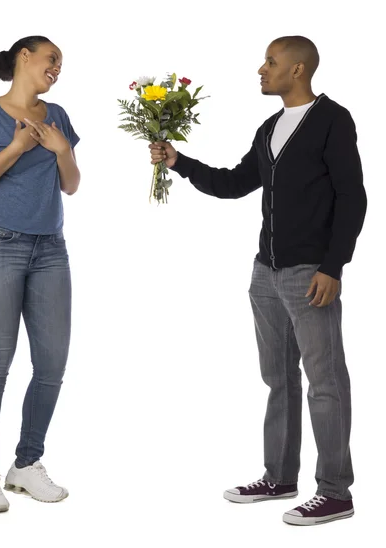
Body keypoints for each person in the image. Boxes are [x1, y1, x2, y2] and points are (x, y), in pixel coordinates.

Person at [149, 36, 367, 526]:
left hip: (310, 273)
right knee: (279, 379)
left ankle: (335, 492)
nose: (261, 69)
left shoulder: (333, 120)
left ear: (298, 69)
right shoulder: (269, 126)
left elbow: (353, 198)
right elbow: (233, 183)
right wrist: (178, 162)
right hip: (264, 273)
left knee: (325, 383)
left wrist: (334, 267)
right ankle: (280, 476)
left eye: (271, 62)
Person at [0, 35, 81, 513]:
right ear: (24, 57)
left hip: (51, 250)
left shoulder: (59, 116)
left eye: (61, 64)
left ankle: (26, 465)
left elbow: (71, 185)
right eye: (52, 59)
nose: (57, 68)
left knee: (51, 365)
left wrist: (60, 148)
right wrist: (14, 147)